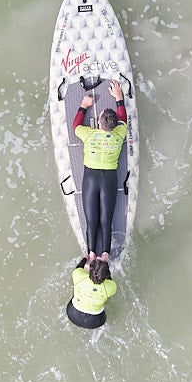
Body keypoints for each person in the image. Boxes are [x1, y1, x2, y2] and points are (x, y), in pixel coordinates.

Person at [74, 78, 127, 260]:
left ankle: (90, 254)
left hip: (91, 178)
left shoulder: (89, 134)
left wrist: (84, 105)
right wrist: (119, 98)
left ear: (98, 122)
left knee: (92, 221)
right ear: (114, 126)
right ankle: (104, 255)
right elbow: (123, 119)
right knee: (106, 221)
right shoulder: (120, 134)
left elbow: (76, 126)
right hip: (109, 179)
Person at [66, 254, 116, 329]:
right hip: (95, 321)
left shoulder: (78, 275)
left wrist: (85, 259)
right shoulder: (111, 286)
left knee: (77, 289)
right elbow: (109, 280)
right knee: (105, 297)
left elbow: (79, 267)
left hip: (73, 315)